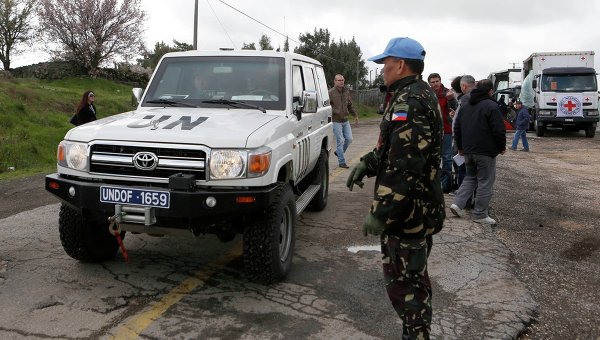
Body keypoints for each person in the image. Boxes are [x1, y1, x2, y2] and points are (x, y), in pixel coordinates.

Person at [346, 37, 444, 340]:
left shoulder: (410, 102)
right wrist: (368, 161)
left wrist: (381, 212)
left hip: (407, 216)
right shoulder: (412, 94)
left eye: (385, 64)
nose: (382, 70)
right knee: (411, 283)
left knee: (408, 289)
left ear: (400, 64)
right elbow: (395, 149)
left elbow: (405, 166)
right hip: (417, 209)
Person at [450, 79, 506, 225]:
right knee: (485, 182)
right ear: (491, 91)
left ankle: (457, 203)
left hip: (468, 150)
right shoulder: (492, 106)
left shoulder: (466, 104)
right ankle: (480, 214)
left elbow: (457, 127)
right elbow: (498, 130)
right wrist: (502, 147)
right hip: (485, 151)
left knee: (470, 177)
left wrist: (461, 147)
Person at [427, 73, 457, 193]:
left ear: (440, 81)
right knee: (433, 156)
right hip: (431, 131)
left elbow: (455, 109)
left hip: (446, 130)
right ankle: (433, 182)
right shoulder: (427, 94)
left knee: (446, 157)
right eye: (432, 82)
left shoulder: (448, 93)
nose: (435, 84)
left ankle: (446, 185)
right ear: (429, 83)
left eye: (437, 81)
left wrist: (451, 100)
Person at [329, 74, 359, 168]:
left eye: (342, 80)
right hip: (335, 120)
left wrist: (355, 115)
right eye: (339, 80)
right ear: (335, 81)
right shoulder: (330, 92)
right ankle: (342, 162)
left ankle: (339, 152)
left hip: (345, 120)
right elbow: (326, 106)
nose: (341, 81)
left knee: (349, 139)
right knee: (340, 140)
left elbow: (350, 105)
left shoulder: (346, 92)